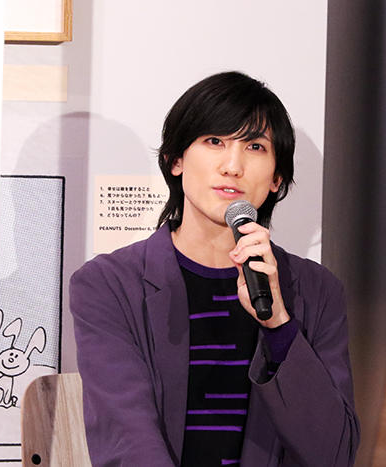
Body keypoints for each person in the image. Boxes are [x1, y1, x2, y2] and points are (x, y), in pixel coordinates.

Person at [69, 71, 360, 467]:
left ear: (277, 178)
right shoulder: (108, 285)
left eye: (255, 146)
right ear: (175, 160)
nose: (233, 166)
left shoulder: (317, 291)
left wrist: (279, 325)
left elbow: (334, 454)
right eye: (214, 141)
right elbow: (128, 437)